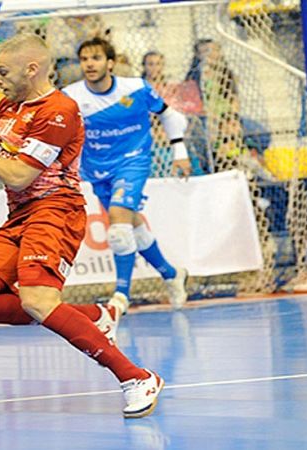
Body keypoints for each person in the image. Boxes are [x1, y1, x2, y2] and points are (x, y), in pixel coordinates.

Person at [0, 33, 164, 419]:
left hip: (56, 211)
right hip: (19, 216)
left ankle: (135, 377)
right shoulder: (6, 106)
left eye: (2, 71)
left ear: (31, 68)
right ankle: (92, 316)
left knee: (38, 300)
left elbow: (17, 175)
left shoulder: (58, 110)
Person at [62, 38, 190, 311]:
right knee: (131, 223)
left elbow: (172, 117)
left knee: (119, 228)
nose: (89, 64)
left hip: (133, 161)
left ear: (110, 63)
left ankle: (121, 296)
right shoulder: (70, 96)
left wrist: (180, 152)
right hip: (96, 170)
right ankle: (171, 273)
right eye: (84, 59)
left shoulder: (136, 88)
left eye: (95, 58)